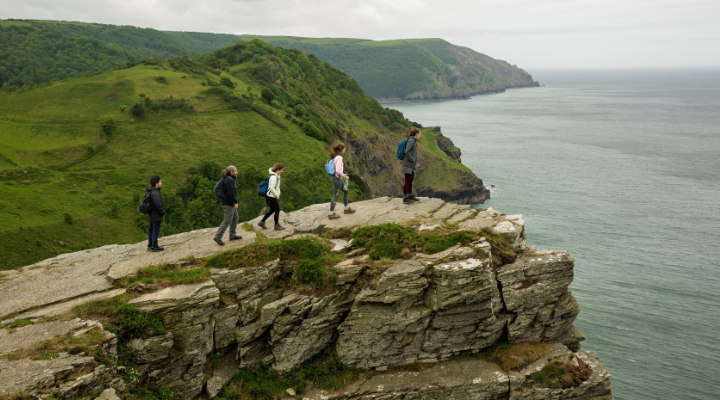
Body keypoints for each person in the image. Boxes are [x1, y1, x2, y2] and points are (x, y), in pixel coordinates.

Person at [327, 141, 356, 219]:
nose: (345, 149)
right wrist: (344, 176)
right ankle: (331, 214)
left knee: (346, 191)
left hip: (336, 178)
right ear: (342, 149)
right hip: (337, 179)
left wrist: (343, 173)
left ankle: (346, 209)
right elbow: (338, 171)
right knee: (335, 196)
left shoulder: (335, 157)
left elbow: (338, 169)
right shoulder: (339, 158)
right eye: (344, 148)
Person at [214, 165, 242, 246]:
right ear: (231, 172)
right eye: (236, 171)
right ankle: (217, 237)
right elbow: (231, 193)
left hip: (230, 203)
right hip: (228, 204)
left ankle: (232, 235)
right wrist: (235, 202)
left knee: (235, 218)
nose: (237, 172)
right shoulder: (229, 180)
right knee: (227, 221)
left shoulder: (229, 179)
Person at [258, 163, 286, 230]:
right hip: (271, 196)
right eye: (281, 170)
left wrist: (278, 193)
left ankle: (262, 222)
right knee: (277, 209)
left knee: (272, 210)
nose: (282, 171)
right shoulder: (273, 177)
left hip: (271, 196)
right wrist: (277, 196)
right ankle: (276, 225)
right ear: (278, 169)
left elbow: (277, 187)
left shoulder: (277, 176)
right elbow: (272, 188)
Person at [401, 127, 422, 203]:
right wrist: (412, 160)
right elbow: (407, 151)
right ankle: (405, 198)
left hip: (411, 165)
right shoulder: (411, 141)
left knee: (410, 180)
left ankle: (410, 195)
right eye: (420, 134)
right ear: (416, 134)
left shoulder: (413, 141)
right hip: (407, 164)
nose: (420, 136)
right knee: (407, 181)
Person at [146, 175, 166, 252]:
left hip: (151, 213)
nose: (161, 183)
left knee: (151, 228)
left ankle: (150, 244)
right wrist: (162, 212)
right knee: (155, 229)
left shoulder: (150, 191)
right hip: (156, 214)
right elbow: (158, 205)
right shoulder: (156, 193)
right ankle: (154, 246)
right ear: (156, 184)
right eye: (160, 181)